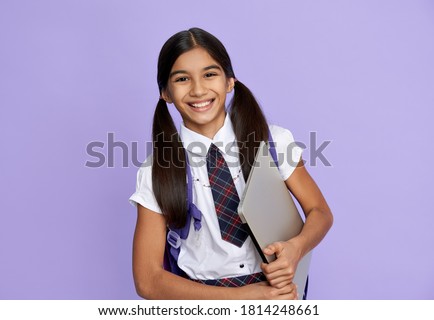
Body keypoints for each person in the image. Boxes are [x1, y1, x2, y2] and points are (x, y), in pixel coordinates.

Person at [130, 27, 333, 300]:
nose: (198, 89)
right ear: (165, 92)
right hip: (203, 301)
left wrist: (297, 247)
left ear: (229, 82)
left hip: (279, 296)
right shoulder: (156, 170)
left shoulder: (273, 142)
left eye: (210, 74)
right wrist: (243, 298)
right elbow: (148, 280)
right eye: (182, 79)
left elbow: (320, 211)